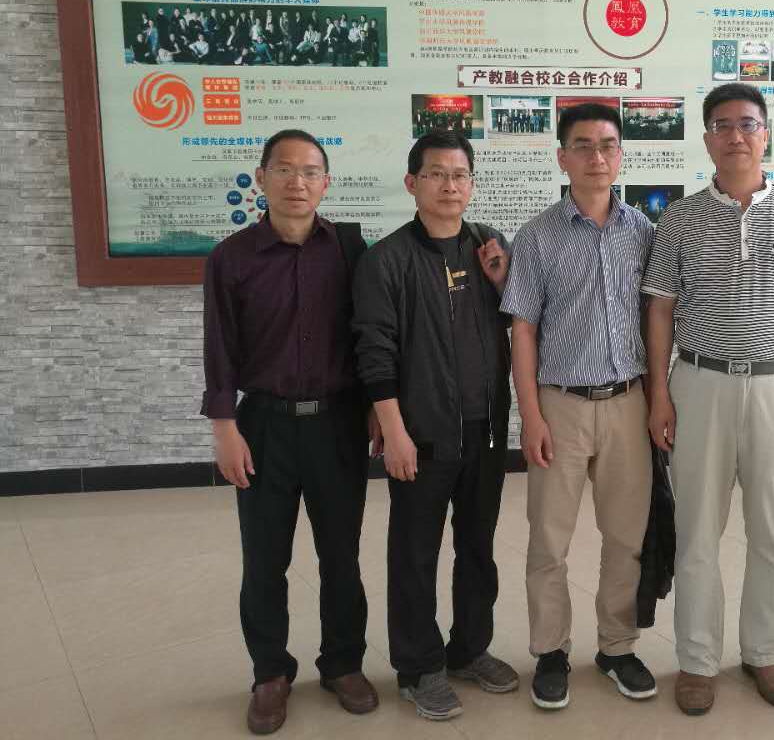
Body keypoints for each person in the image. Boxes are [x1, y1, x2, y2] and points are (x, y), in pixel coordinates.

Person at [642, 82, 774, 716]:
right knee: (698, 530)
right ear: (707, 139)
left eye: (747, 124)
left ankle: (764, 652)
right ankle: (698, 660)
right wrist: (659, 395)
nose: (735, 136)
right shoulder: (679, 219)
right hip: (699, 384)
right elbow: (660, 309)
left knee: (772, 530)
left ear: (766, 134)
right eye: (722, 125)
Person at [202, 129, 378, 735]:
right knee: (264, 559)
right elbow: (219, 348)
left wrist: (377, 408)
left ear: (326, 183)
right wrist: (225, 428)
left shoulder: (350, 251)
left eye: (309, 171)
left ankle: (343, 663)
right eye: (284, 170)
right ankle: (270, 673)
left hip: (338, 424)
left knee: (341, 555)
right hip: (264, 427)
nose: (297, 182)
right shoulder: (231, 258)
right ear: (262, 178)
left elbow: (369, 337)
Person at [351, 129, 519, 722]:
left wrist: (502, 282)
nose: (450, 186)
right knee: (415, 553)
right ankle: (418, 667)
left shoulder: (489, 247)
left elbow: (522, 322)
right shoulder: (386, 260)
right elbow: (375, 351)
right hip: (420, 434)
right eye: (437, 174)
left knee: (478, 547)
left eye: (460, 175)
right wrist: (392, 429)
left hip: (486, 430)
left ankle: (469, 649)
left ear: (472, 183)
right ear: (412, 183)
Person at [501, 103, 657, 710]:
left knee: (626, 536)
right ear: (562, 157)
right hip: (560, 404)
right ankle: (551, 651)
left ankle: (617, 646)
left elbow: (656, 320)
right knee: (549, 539)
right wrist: (530, 416)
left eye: (608, 145)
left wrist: (658, 401)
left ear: (621, 156)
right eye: (583, 145)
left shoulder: (643, 231)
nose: (597, 156)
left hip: (628, 402)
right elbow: (522, 330)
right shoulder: (537, 235)